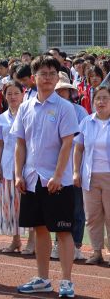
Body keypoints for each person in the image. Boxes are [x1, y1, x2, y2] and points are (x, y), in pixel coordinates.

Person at [11, 56, 79, 298]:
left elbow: (67, 144)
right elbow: (20, 143)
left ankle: (67, 281)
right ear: (33, 78)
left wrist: (59, 176)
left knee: (63, 231)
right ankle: (42, 278)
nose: (48, 77)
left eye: (52, 73)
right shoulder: (26, 107)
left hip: (57, 181)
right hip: (31, 179)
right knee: (39, 229)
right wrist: (19, 174)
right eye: (43, 73)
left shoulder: (65, 107)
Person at [0, 80, 34, 253]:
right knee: (10, 206)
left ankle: (32, 242)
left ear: (23, 94)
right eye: (9, 93)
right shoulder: (2, 117)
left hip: (27, 166)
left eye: (16, 93)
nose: (13, 97)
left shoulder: (29, 114)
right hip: (7, 166)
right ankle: (16, 240)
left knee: (28, 205)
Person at [52, 72, 88, 261]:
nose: (60, 93)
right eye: (58, 90)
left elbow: (83, 140)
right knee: (58, 206)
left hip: (74, 165)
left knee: (77, 207)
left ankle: (76, 245)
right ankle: (58, 243)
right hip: (54, 165)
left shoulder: (80, 112)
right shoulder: (47, 110)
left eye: (64, 90)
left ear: (69, 91)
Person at [73, 86, 110, 267]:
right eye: (98, 99)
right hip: (90, 176)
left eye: (105, 98)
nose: (101, 102)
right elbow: (78, 148)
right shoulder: (87, 122)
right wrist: (75, 171)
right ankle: (96, 252)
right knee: (93, 216)